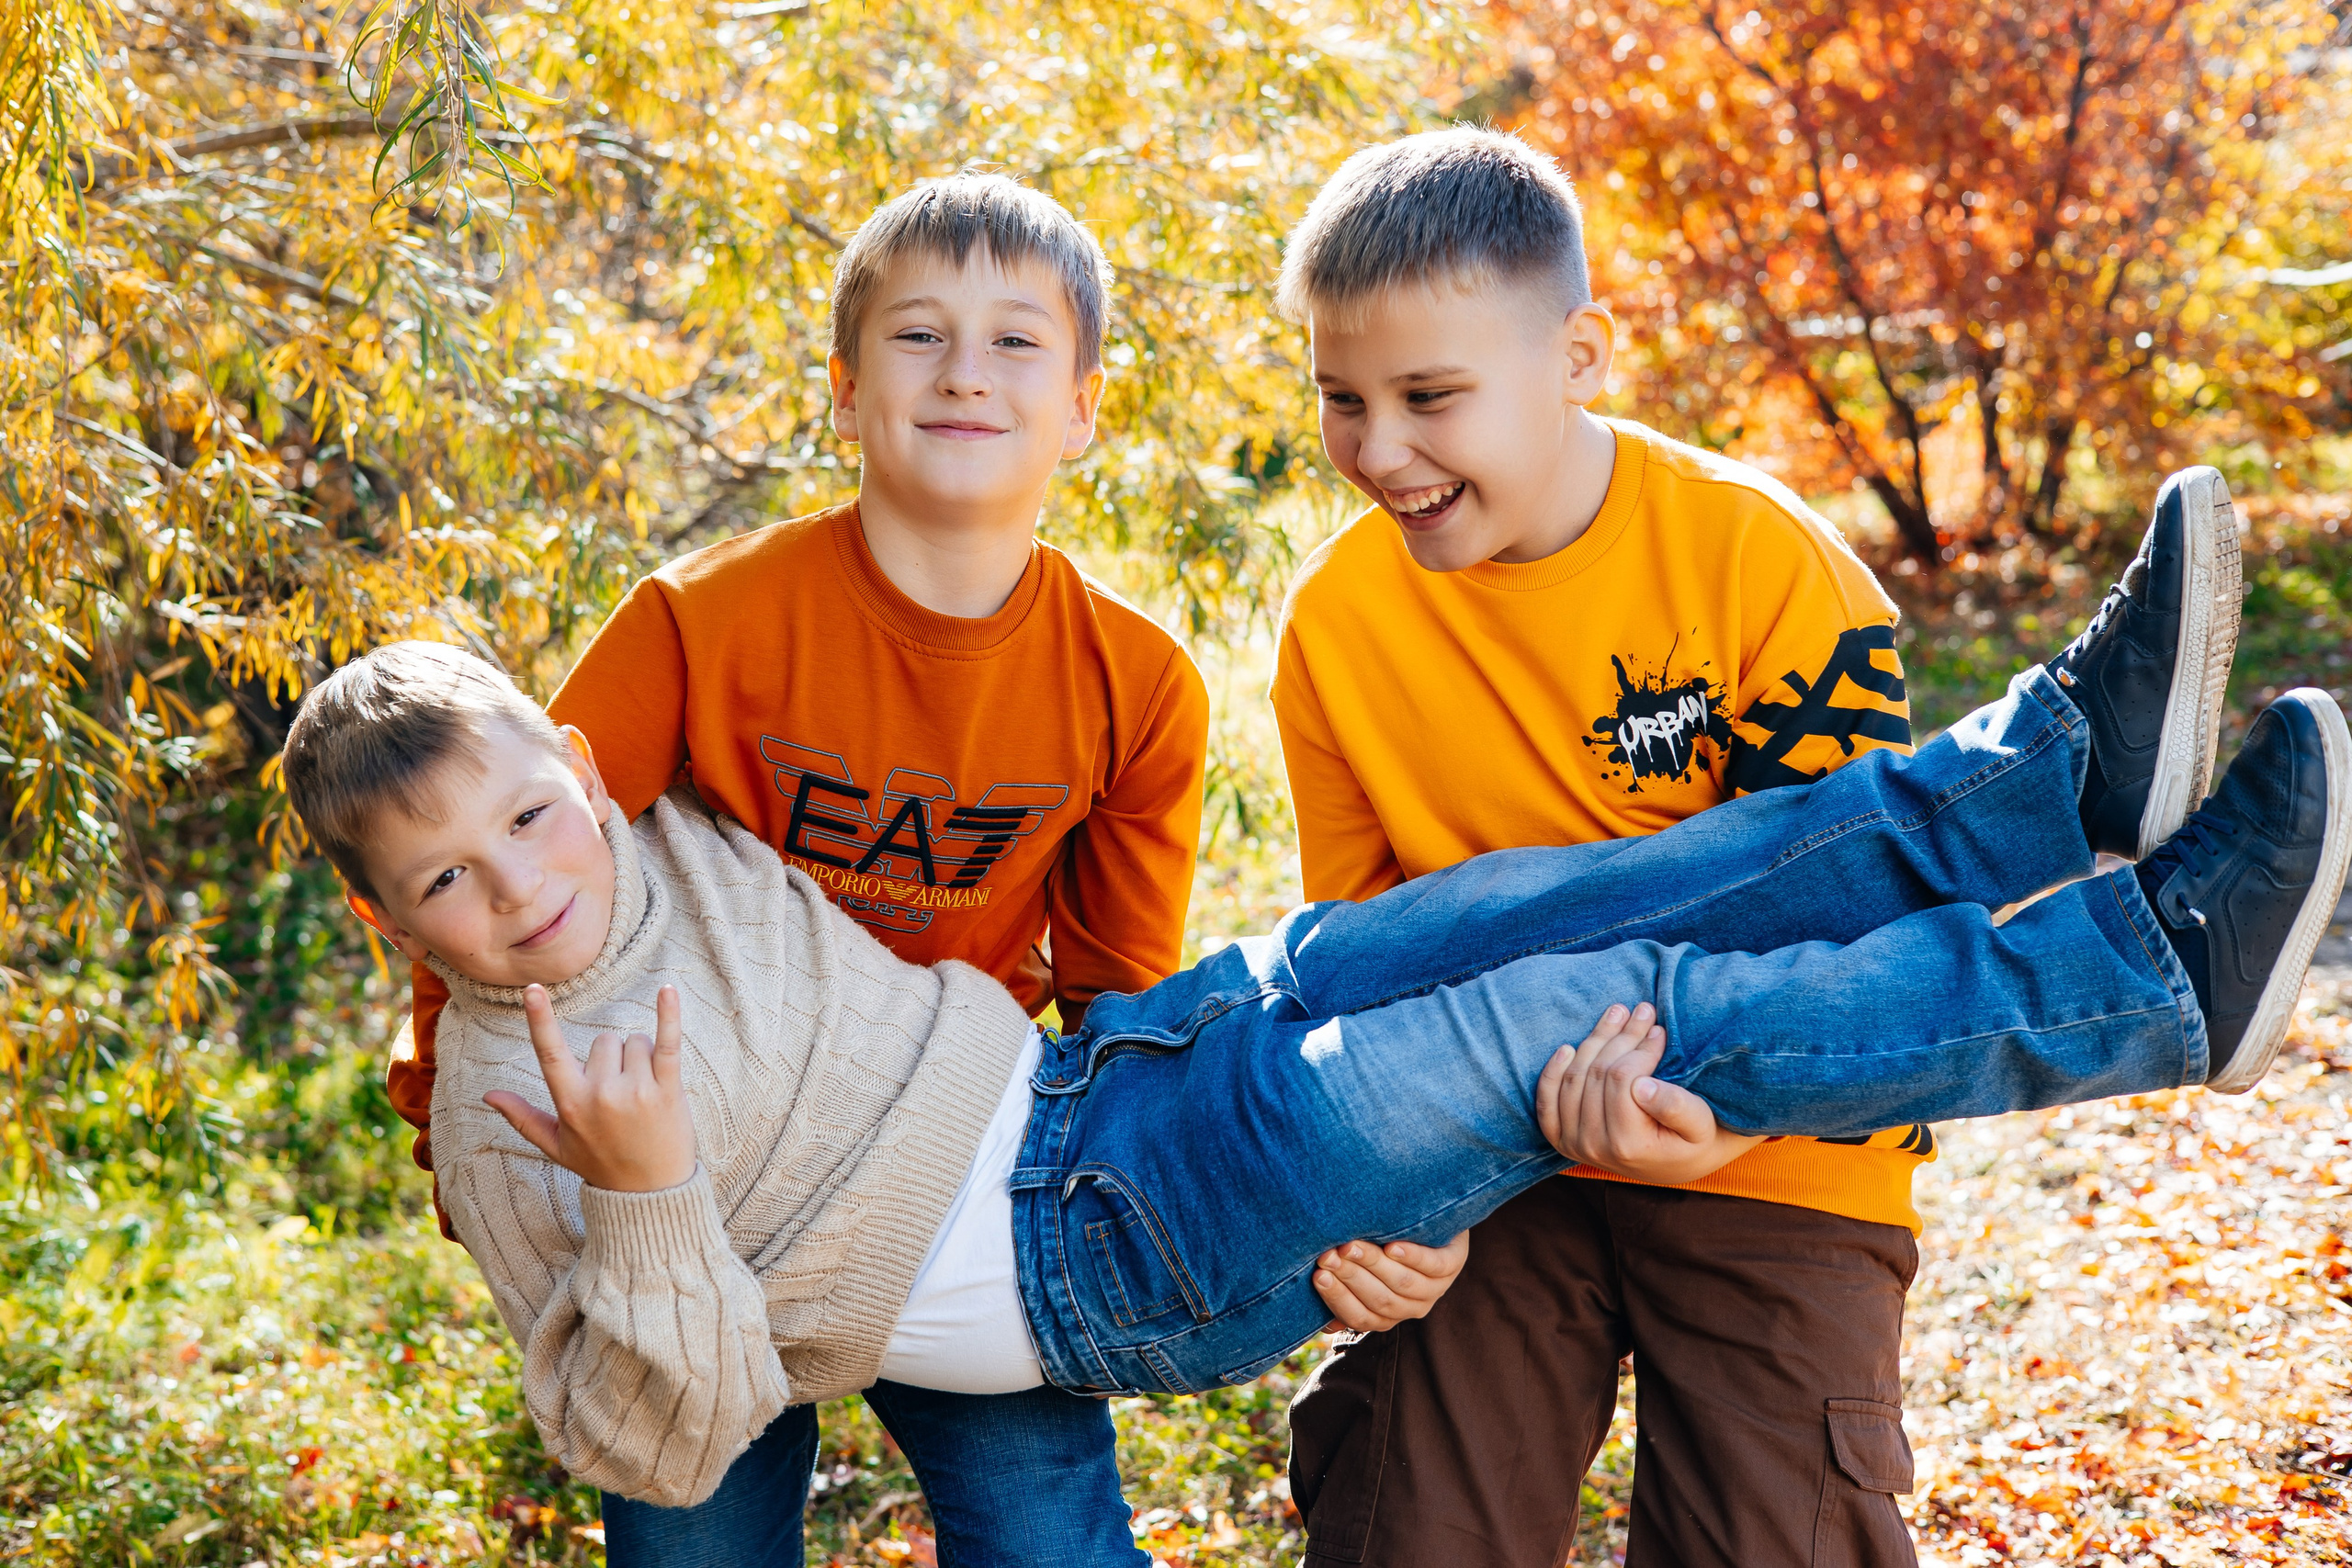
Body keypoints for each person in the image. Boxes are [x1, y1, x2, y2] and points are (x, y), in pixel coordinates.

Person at [278, 595, 2348, 1534]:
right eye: (443, 881)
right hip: (1102, 1247)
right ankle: (2144, 978)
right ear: (395, 923)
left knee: (1553, 902)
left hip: (1124, 1075)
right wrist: (640, 1183)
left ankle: (2036, 773)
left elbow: (760, 637)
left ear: (578, 759)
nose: (516, 888)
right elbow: (655, 1425)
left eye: (528, 814)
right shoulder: (503, 1107)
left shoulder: (667, 822)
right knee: (1578, 1008)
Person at [376, 174, 1458, 1565]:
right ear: (842, 386)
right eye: (916, 336)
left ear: (1083, 406)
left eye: (1017, 341)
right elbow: (491, 870)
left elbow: (1124, 1002)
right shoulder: (699, 625)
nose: (964, 372)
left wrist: (1278, 1200)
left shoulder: (1133, 683)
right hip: (690, 1185)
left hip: (959, 1168)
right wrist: (447, 1134)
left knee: (1049, 1540)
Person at [1263, 127, 2261, 1565]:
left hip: (1774, 1149)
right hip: (1495, 1162)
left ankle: (2108, 840)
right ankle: (2081, 789)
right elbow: (1372, 963)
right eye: (1341, 400)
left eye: (1430, 396)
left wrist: (1714, 1128)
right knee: (1410, 1515)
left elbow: (1865, 929)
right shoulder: (1337, 622)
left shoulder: (1759, 558)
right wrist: (1391, 1202)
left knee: (1775, 1532)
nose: (1380, 449)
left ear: (1581, 356)